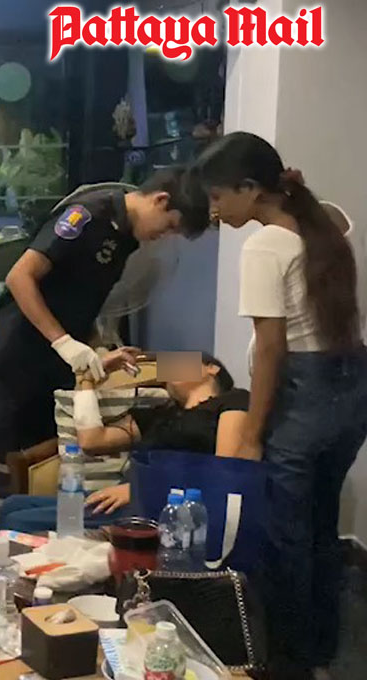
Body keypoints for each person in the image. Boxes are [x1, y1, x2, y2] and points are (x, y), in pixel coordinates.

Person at [190, 131, 367, 679]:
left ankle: (288, 663)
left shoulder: (265, 244)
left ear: (250, 189)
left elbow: (271, 348)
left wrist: (251, 435)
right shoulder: (325, 229)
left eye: (218, 196)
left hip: (302, 394)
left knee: (284, 537)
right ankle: (322, 652)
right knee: (320, 529)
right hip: (352, 389)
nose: (214, 211)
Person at [0, 170, 210, 551]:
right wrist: (63, 341)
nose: (164, 237)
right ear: (161, 200)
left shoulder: (126, 241)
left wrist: (95, 351)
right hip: (17, 357)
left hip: (55, 368)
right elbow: (20, 277)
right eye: (169, 226)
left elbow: (83, 303)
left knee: (32, 473)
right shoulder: (87, 215)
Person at [0, 352, 248, 532]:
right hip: (129, 495)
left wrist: (142, 489)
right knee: (11, 505)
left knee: (18, 521)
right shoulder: (160, 414)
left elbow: (224, 469)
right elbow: (92, 441)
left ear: (211, 368)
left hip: (162, 503)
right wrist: (89, 378)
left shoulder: (233, 401)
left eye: (180, 361)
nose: (170, 367)